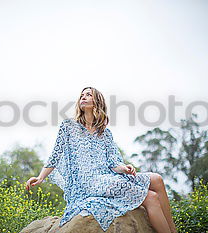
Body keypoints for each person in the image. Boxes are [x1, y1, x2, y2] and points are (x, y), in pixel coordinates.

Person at [26, 87, 177, 233]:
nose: (83, 97)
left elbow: (113, 162)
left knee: (157, 179)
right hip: (88, 183)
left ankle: (174, 230)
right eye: (82, 95)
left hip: (107, 177)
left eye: (88, 95)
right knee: (151, 198)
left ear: (97, 102)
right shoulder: (68, 127)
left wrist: (124, 168)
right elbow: (55, 155)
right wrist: (40, 178)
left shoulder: (105, 133)